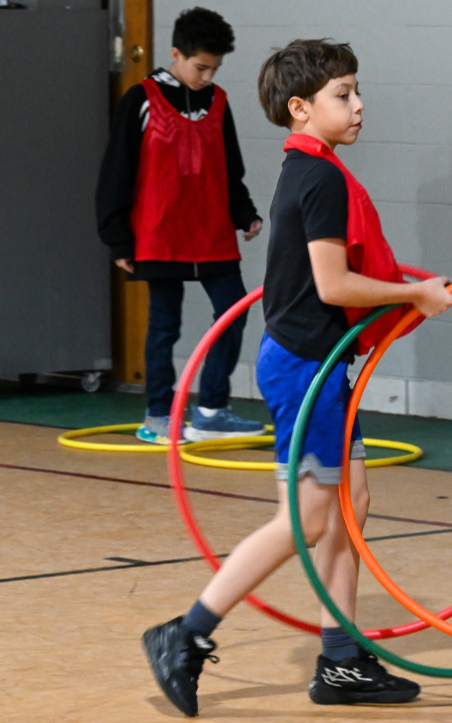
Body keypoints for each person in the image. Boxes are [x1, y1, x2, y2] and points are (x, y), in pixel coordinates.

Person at [141, 38, 452, 716]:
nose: (359, 106)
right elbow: (333, 284)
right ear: (300, 108)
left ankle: (340, 659)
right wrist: (416, 296)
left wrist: (416, 292)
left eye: (358, 92)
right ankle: (185, 632)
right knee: (304, 515)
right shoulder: (320, 178)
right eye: (342, 95)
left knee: (349, 506)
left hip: (315, 364)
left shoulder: (307, 168)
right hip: (306, 368)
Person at [96, 7, 266, 444]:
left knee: (233, 314)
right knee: (163, 325)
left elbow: (230, 168)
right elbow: (116, 170)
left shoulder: (220, 102)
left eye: (215, 69)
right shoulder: (140, 100)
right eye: (200, 67)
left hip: (212, 236)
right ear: (176, 54)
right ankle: (158, 415)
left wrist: (244, 213)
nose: (207, 76)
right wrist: (117, 238)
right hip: (159, 235)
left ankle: (211, 409)